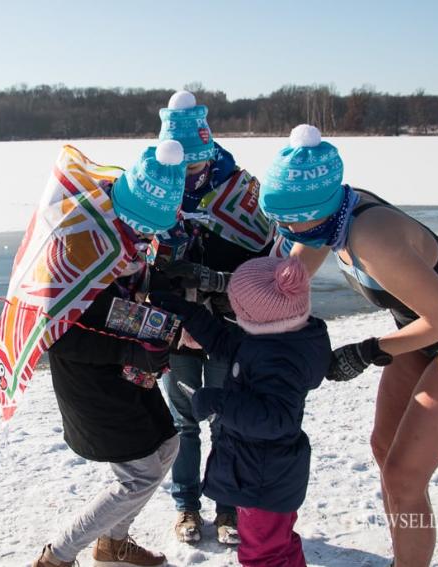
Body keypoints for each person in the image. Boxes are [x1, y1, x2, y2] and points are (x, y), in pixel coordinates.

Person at [258, 124, 438, 567]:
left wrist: (366, 351)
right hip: (419, 331)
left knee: (404, 475)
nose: (283, 230)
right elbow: (293, 275)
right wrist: (238, 299)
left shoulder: (373, 237)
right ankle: (405, 551)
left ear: (316, 208)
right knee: (384, 449)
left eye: (288, 220)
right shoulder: (330, 216)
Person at [32, 141, 187, 567]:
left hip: (129, 366)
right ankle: (57, 557)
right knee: (139, 475)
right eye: (141, 228)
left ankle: (112, 543)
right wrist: (132, 351)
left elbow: (131, 294)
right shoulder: (77, 241)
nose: (145, 238)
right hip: (90, 379)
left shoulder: (133, 234)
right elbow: (58, 336)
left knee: (167, 445)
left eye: (151, 231)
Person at [151, 90, 274, 544]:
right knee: (183, 423)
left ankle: (227, 509)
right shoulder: (154, 190)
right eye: (179, 168)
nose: (186, 176)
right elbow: (144, 265)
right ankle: (186, 508)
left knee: (227, 419)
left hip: (229, 327)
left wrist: (213, 280)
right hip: (178, 329)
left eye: (194, 166)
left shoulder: (242, 192)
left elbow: (268, 265)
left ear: (207, 155)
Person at [152, 256, 330, 567]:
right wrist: (189, 313)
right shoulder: (280, 338)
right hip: (264, 470)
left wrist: (216, 402)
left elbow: (276, 419)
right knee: (279, 543)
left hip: (262, 476)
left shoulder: (280, 359)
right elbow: (227, 342)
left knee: (263, 553)